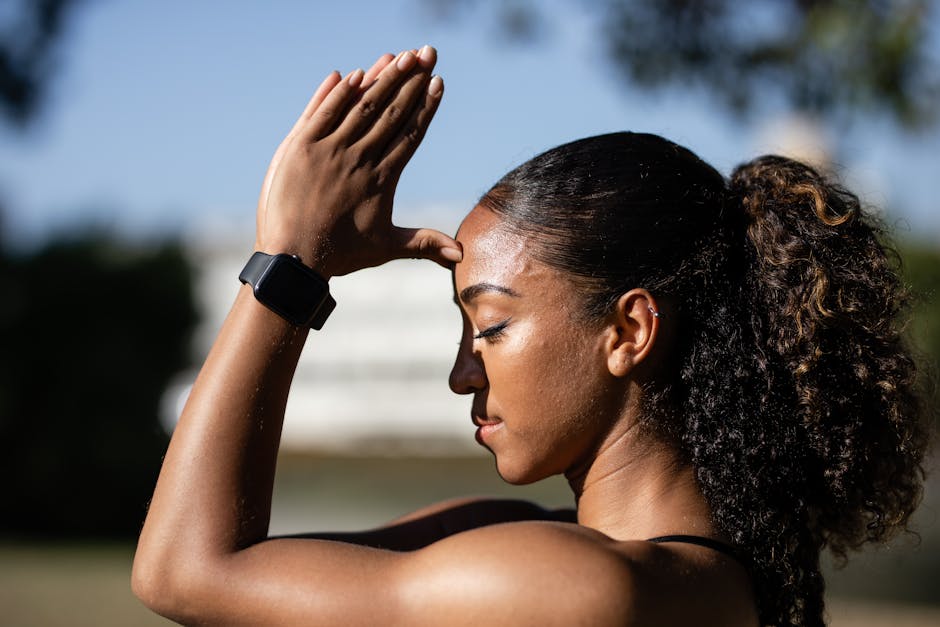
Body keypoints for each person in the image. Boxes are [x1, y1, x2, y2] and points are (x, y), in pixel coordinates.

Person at [132, 46, 929, 626]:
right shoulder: (705, 571)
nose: (461, 376)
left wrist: (294, 265)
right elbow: (229, 564)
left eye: (489, 326)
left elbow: (186, 571)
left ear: (628, 330)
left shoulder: (578, 588)